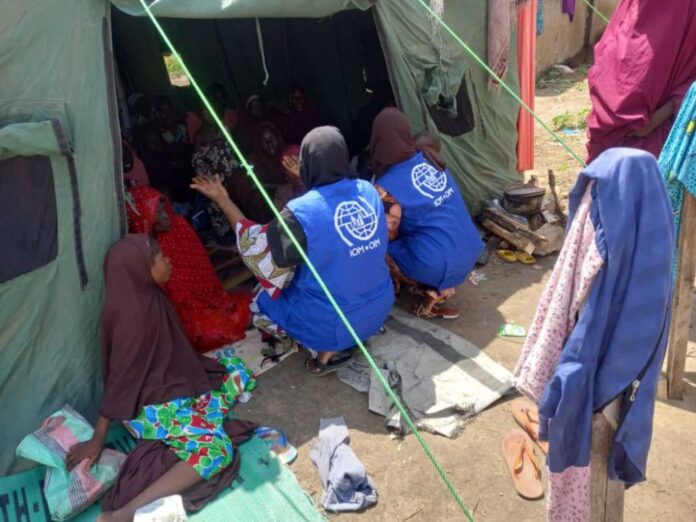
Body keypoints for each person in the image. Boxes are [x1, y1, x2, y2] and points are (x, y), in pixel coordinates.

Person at [65, 234, 258, 522]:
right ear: (140, 269)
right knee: (217, 449)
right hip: (147, 408)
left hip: (164, 389)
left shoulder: (146, 296)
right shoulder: (135, 318)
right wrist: (98, 439)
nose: (167, 260)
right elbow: (119, 382)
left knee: (231, 374)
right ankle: (123, 514)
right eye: (158, 257)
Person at [191, 126, 394, 376]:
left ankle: (325, 353)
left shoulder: (299, 211)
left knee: (261, 301)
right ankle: (348, 336)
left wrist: (223, 199)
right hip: (380, 307)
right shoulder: (367, 190)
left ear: (308, 164)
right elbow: (330, 213)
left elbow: (256, 250)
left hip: (336, 327)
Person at [370, 109, 483, 320]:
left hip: (438, 265)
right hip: (470, 251)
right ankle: (437, 285)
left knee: (375, 244)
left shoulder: (385, 187)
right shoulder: (431, 158)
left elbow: (386, 236)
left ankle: (414, 285)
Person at [126, 186, 251, 353]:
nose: (166, 217)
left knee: (236, 316)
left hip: (204, 300)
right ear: (142, 219)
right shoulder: (141, 252)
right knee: (204, 334)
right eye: (158, 214)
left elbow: (202, 270)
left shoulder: (178, 226)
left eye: (164, 210)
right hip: (179, 313)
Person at [586, 0, 696, 161]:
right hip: (613, 126)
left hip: (666, 135)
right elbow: (610, 51)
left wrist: (659, 116)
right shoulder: (632, 7)